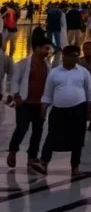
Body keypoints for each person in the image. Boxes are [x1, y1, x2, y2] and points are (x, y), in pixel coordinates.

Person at [34, 44, 91, 176]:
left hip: (78, 110)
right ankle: (44, 163)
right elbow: (47, 94)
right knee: (51, 136)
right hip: (58, 110)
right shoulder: (54, 72)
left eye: (77, 56)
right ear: (64, 57)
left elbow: (90, 93)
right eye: (73, 57)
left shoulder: (83, 72)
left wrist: (90, 111)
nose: (76, 59)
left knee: (77, 139)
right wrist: (43, 109)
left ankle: (75, 167)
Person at [7, 33, 51, 170]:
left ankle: (32, 156)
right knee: (22, 128)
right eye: (45, 48)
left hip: (40, 104)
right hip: (25, 103)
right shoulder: (23, 64)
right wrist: (16, 95)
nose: (48, 51)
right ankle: (13, 151)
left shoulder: (47, 65)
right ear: (36, 48)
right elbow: (14, 80)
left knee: (38, 131)